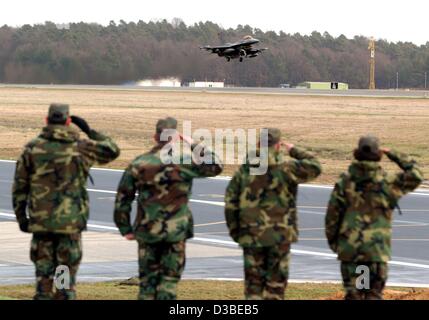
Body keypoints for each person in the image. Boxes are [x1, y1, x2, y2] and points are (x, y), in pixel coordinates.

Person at [12, 103, 120, 300]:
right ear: (68, 121)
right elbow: (112, 150)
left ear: (47, 120)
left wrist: (22, 219)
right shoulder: (81, 147)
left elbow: (20, 188)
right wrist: (89, 131)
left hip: (42, 225)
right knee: (64, 282)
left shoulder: (33, 149)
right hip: (69, 227)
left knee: (43, 281)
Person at [113, 117, 223, 300]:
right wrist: (192, 143)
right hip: (175, 233)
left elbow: (122, 200)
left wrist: (125, 229)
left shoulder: (140, 163)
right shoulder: (184, 163)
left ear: (155, 137)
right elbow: (215, 165)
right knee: (168, 284)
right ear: (174, 138)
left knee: (148, 285)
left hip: (148, 232)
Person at [224, 128, 322, 300]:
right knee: (276, 286)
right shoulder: (287, 168)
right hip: (280, 235)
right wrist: (293, 150)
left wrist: (237, 232)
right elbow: (315, 165)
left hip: (251, 234)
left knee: (253, 286)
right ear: (278, 146)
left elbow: (231, 204)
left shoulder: (245, 171)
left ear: (259, 144)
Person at [325, 135, 423, 300]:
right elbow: (416, 174)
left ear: (357, 153)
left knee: (354, 294)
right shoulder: (388, 182)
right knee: (373, 294)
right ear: (379, 154)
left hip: (351, 249)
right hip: (376, 250)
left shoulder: (345, 182)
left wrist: (337, 244)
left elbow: (332, 218)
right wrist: (393, 153)